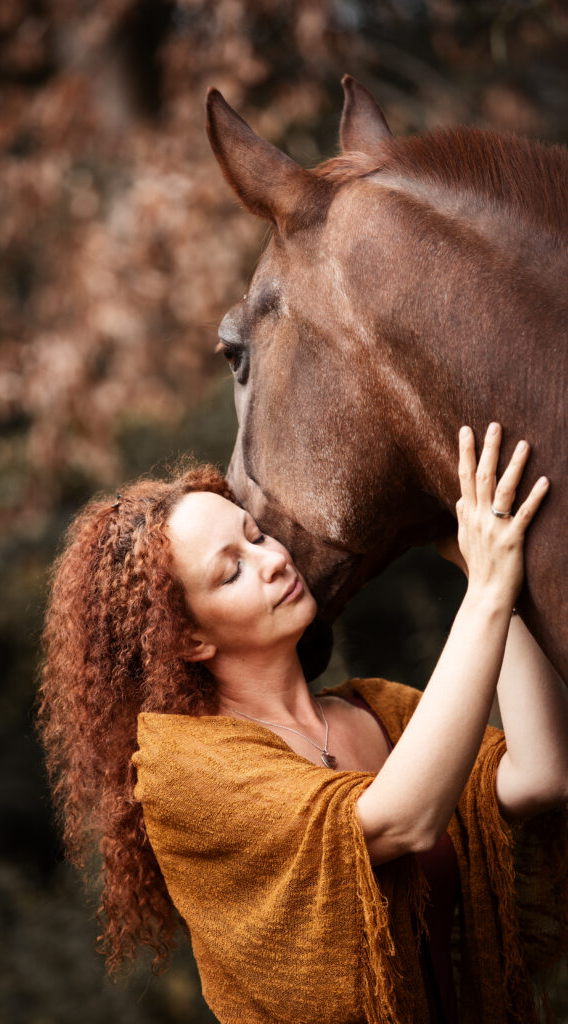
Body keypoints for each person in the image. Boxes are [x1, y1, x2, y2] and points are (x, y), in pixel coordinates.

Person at [35, 423, 568, 1024]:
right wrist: (488, 595)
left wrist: (494, 571)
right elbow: (402, 820)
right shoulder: (179, 773)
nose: (271, 560)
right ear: (188, 639)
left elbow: (541, 774)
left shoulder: (378, 710)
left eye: (257, 535)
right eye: (231, 571)